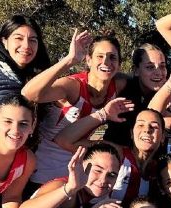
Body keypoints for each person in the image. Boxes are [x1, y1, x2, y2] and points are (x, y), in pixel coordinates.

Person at [22, 30, 128, 189]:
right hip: (44, 170)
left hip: (79, 171)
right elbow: (28, 94)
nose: (106, 62)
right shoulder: (72, 86)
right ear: (88, 60)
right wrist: (69, 60)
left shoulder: (118, 86)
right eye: (100, 56)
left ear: (119, 64)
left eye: (113, 57)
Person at [55, 105, 167, 206]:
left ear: (162, 137)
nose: (147, 130)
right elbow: (64, 140)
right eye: (141, 125)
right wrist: (102, 114)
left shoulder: (160, 170)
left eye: (154, 126)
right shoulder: (114, 152)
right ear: (132, 134)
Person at [102, 43, 171, 147]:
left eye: (162, 66)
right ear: (136, 70)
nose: (158, 72)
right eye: (150, 67)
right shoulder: (126, 98)